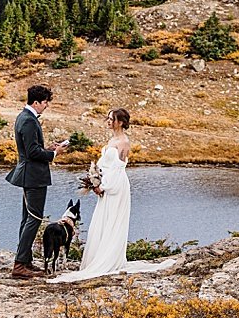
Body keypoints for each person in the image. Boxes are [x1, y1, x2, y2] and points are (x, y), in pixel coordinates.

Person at [51, 107, 173, 282]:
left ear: (120, 122)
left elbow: (118, 168)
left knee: (113, 222)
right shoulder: (112, 139)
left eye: (111, 119)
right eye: (107, 118)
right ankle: (99, 257)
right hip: (107, 183)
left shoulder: (123, 142)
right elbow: (105, 165)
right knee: (103, 221)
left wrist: (104, 186)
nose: (108, 121)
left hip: (116, 187)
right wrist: (95, 179)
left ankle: (110, 260)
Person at [6, 83, 66, 280]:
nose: (47, 105)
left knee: (27, 219)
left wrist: (46, 147)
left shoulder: (23, 117)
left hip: (28, 174)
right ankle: (20, 264)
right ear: (37, 102)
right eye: (46, 102)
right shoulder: (30, 121)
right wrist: (53, 153)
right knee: (34, 218)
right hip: (33, 176)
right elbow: (32, 153)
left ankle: (25, 260)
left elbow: (31, 148)